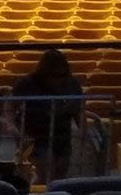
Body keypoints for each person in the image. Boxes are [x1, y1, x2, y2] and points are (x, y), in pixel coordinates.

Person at [11, 49, 84, 183]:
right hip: (35, 138)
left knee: (60, 176)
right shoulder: (26, 84)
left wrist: (84, 132)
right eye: (55, 75)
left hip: (62, 138)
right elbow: (9, 110)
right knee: (44, 173)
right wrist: (18, 133)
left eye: (63, 75)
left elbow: (79, 111)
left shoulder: (71, 84)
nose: (59, 80)